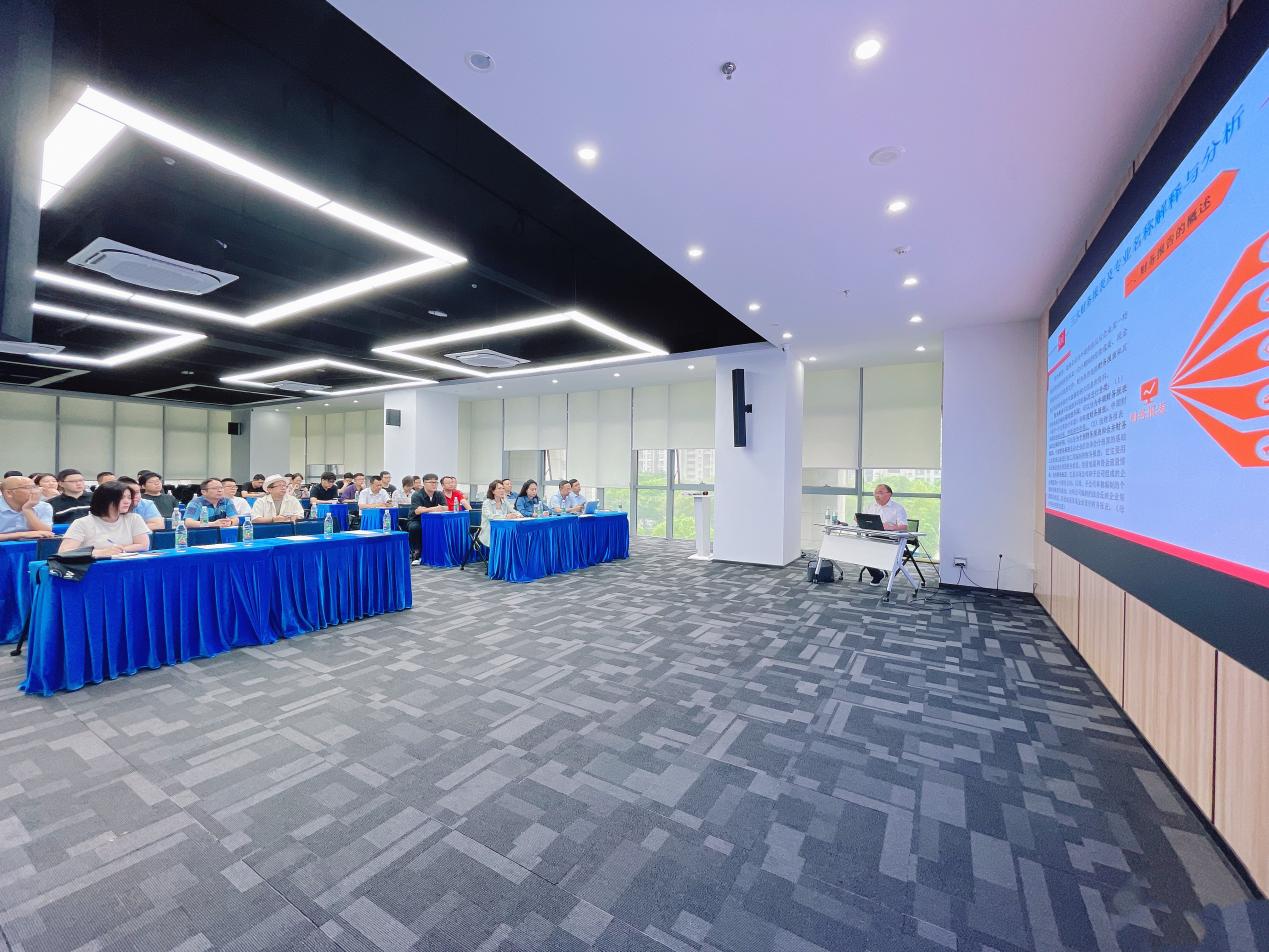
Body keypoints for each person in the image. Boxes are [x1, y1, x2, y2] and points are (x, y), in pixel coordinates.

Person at [59, 481, 150, 557]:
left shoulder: (134, 518)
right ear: (105, 500)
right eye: (121, 498)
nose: (127, 501)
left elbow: (143, 545)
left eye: (129, 497)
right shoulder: (82, 523)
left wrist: (119, 550)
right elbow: (64, 552)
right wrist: (102, 552)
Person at [864, 483, 909, 585]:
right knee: (861, 550)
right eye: (875, 493)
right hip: (873, 537)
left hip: (890, 539)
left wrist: (891, 527)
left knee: (868, 550)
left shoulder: (898, 508)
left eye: (880, 493)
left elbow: (904, 527)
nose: (877, 495)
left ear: (889, 494)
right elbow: (864, 519)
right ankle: (877, 574)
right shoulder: (870, 506)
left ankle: (879, 574)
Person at [407, 474, 448, 561]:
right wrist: (435, 508)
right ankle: (416, 552)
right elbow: (417, 511)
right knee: (415, 527)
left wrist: (425, 509)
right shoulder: (417, 495)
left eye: (435, 482)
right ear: (424, 483)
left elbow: (446, 508)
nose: (434, 484)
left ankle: (440, 552)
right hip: (417, 519)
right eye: (431, 482)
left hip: (434, 521)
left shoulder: (439, 494)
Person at [0, 476, 55, 540]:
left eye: (34, 487)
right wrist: (23, 534)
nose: (34, 491)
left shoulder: (44, 506)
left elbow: (46, 533)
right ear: (9, 493)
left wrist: (28, 509)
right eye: (28, 488)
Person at [480, 478, 521, 546]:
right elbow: (490, 516)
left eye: (503, 488)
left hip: (502, 529)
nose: (502, 490)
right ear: (493, 491)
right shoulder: (487, 503)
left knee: (514, 535)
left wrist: (519, 515)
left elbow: (512, 510)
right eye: (499, 488)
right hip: (489, 530)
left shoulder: (504, 502)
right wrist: (506, 516)